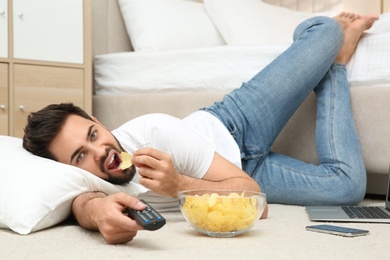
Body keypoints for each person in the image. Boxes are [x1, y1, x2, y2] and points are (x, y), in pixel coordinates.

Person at [23, 13, 378, 244]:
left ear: (99, 122)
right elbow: (83, 200)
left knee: (326, 30)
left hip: (236, 124)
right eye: (81, 155)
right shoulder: (83, 181)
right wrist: (94, 213)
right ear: (68, 169)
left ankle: (327, 46)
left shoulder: (154, 132)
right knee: (348, 189)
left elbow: (252, 200)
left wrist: (179, 184)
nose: (101, 151)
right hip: (243, 173)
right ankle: (336, 67)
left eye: (93, 135)